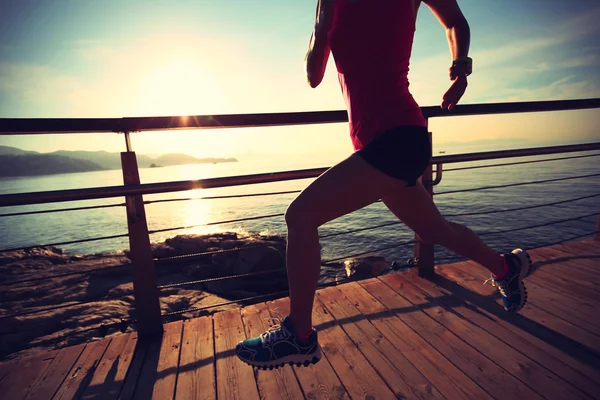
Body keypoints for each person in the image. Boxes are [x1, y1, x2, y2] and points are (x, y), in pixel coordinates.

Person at [236, 0, 531, 370]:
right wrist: (323, 19)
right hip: (378, 144)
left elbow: (454, 19)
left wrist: (461, 67)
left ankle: (299, 336)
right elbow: (314, 75)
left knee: (301, 216)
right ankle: (506, 267)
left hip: (400, 137)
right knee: (433, 229)